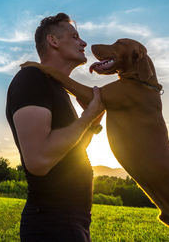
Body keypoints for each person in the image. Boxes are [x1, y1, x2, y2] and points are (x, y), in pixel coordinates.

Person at [6, 13, 105, 241]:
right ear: (53, 41)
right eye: (76, 36)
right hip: (51, 224)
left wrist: (91, 124)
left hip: (72, 222)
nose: (84, 43)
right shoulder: (32, 78)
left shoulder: (55, 88)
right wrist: (87, 115)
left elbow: (67, 152)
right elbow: (39, 160)